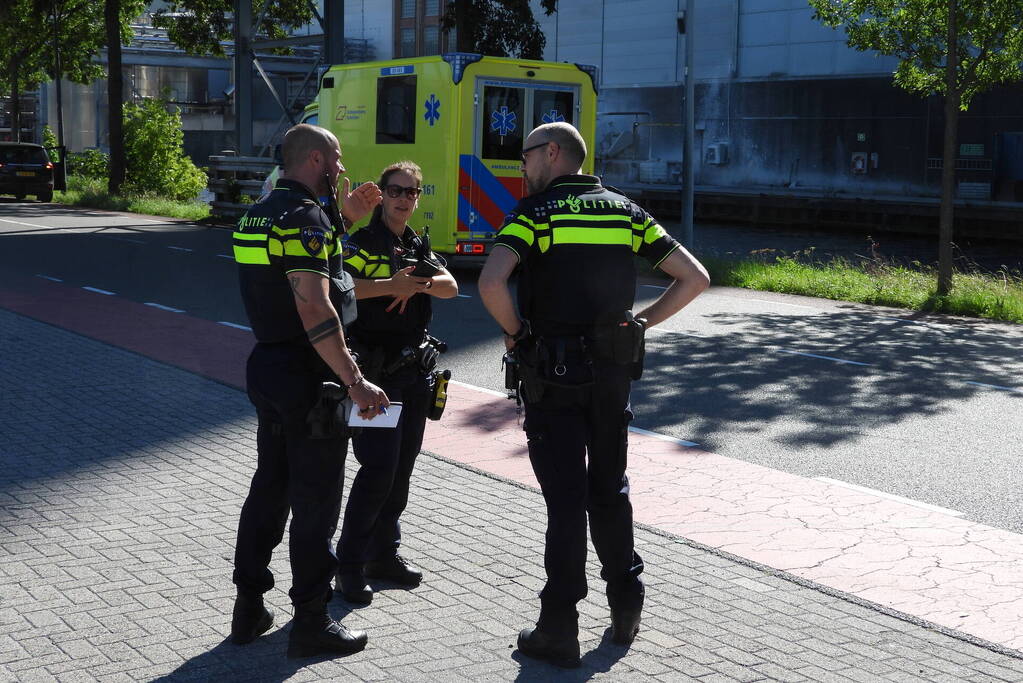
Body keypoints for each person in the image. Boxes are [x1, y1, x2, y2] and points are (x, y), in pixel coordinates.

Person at [479, 122, 710, 667]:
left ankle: (558, 627)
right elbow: (694, 277)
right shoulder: (625, 211)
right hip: (610, 375)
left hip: (552, 378)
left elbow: (491, 284)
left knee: (565, 503)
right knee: (609, 489)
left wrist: (517, 334)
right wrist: (640, 324)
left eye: (526, 157)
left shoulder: (537, 215)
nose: (522, 168)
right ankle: (626, 603)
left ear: (552, 153)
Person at [229, 123, 389, 658]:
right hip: (308, 375)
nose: (343, 169)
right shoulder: (304, 216)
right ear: (316, 159)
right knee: (316, 499)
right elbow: (314, 303)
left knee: (269, 486)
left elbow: (296, 264)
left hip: (267, 366)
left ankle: (248, 606)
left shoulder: (260, 211)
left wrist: (344, 220)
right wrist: (355, 380)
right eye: (337, 159)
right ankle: (312, 621)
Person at [333, 161, 458, 604]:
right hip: (373, 378)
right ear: (382, 194)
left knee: (400, 471)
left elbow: (451, 286)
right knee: (377, 470)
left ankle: (384, 555)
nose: (405, 198)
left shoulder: (416, 244)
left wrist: (417, 286)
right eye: (397, 191)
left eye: (412, 192)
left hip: (413, 376)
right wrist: (394, 284)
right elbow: (341, 288)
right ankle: (348, 566)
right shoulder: (363, 242)